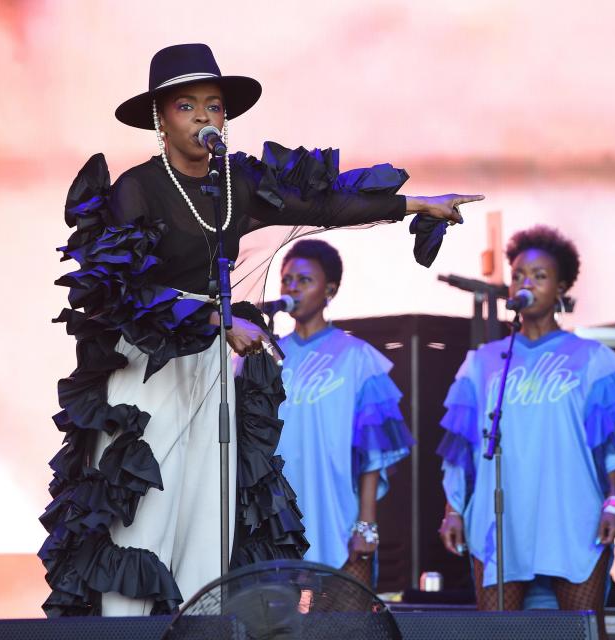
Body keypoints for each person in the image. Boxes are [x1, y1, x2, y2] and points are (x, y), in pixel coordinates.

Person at [40, 43, 482, 617]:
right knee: (145, 519)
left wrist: (418, 203)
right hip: (148, 368)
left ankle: (198, 625)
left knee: (210, 522)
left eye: (214, 106)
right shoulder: (138, 189)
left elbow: (325, 203)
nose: (204, 117)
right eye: (187, 106)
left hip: (213, 364)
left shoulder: (236, 182)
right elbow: (123, 291)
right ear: (161, 119)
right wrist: (214, 319)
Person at [436, 226, 615, 639]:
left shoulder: (591, 358)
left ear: (562, 287)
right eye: (518, 275)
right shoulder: (484, 362)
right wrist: (453, 508)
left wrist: (614, 503)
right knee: (498, 634)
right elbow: (460, 449)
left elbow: (613, 445)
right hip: (502, 515)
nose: (525, 283)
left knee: (581, 632)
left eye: (539, 276)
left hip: (573, 514)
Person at [273, 239, 413, 587]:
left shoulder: (358, 357)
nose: (292, 287)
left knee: (344, 626)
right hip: (278, 514)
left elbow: (374, 451)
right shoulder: (265, 356)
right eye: (287, 279)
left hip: (339, 510)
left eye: (304, 280)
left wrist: (366, 523)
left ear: (329, 290)